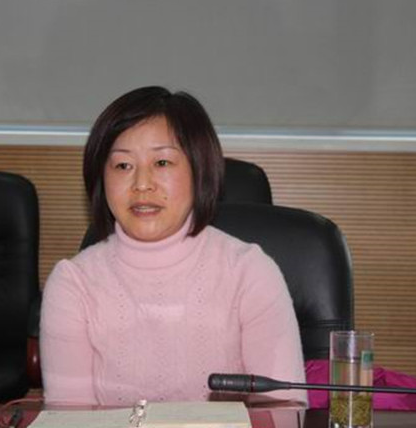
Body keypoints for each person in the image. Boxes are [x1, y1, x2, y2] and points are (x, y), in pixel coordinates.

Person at [40, 86, 306, 406]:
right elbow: (69, 422)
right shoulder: (73, 284)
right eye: (123, 165)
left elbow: (282, 411)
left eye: (162, 162)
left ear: (199, 170)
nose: (142, 184)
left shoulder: (250, 273)